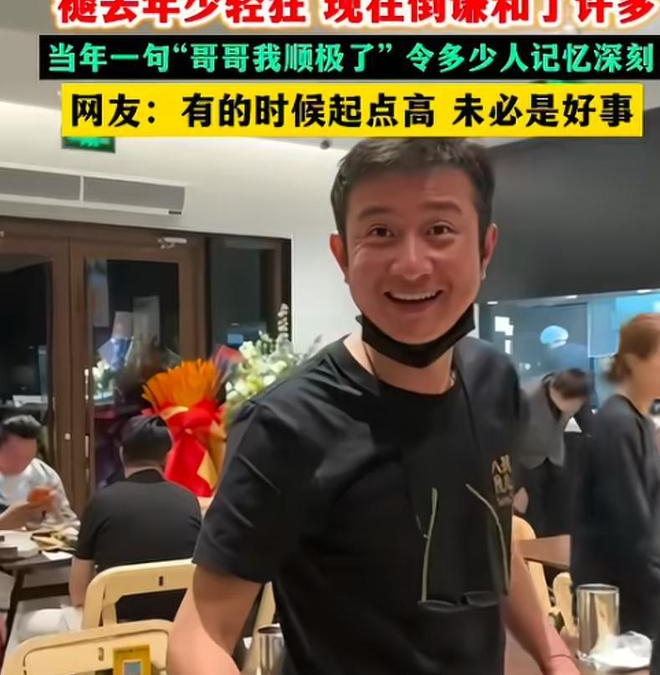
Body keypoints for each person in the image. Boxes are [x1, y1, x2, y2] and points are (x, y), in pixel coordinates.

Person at [168, 138, 578, 675]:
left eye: (439, 230)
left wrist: (554, 655)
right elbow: (199, 635)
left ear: (485, 249)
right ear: (342, 256)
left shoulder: (493, 380)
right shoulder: (288, 424)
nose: (411, 265)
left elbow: (492, 541)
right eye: (380, 232)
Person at [13, 416, 202, 645]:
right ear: (166, 456)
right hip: (175, 629)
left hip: (113, 629)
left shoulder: (102, 502)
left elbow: (78, 594)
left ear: (122, 453)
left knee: (24, 623)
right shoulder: (188, 501)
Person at [572, 313, 660, 638]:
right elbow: (631, 529)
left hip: (635, 591)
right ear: (634, 361)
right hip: (620, 599)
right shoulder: (618, 424)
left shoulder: (638, 423)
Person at [518, 370, 591, 536]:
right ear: (557, 393)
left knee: (561, 516)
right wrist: (517, 486)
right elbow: (509, 441)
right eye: (574, 405)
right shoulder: (525, 398)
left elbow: (589, 424)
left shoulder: (577, 392)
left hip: (555, 457)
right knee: (534, 519)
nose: (575, 409)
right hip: (527, 463)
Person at [0, 414, 78, 528]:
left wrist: (56, 513)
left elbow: (69, 522)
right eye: (16, 457)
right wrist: (3, 522)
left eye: (28, 458)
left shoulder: (44, 475)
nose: (22, 463)